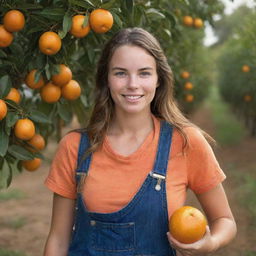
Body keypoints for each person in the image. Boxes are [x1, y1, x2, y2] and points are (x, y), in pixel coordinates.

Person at [43, 27, 237, 256]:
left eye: (144, 73)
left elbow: (224, 220)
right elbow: (58, 240)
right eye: (120, 73)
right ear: (107, 78)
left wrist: (210, 243)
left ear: (158, 79)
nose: (132, 84)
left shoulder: (185, 142)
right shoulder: (76, 147)